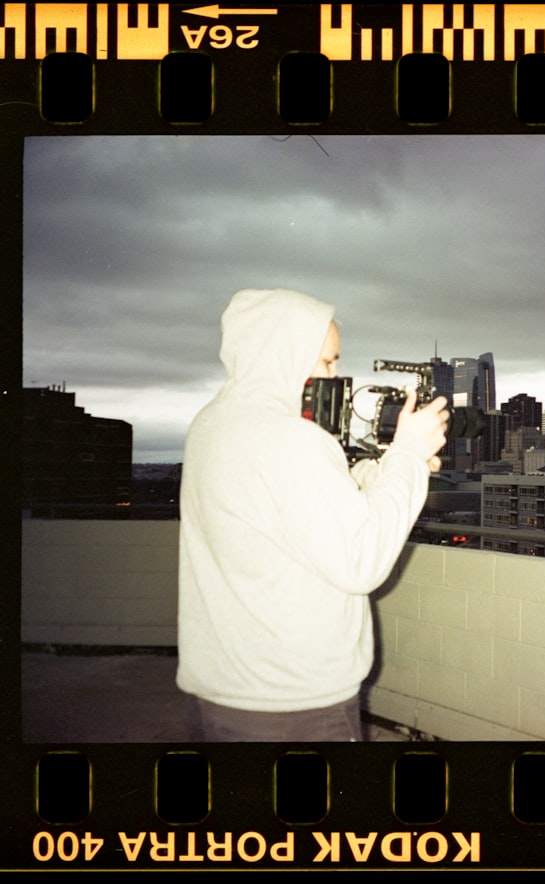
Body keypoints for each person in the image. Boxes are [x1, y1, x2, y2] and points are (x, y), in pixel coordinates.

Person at [177, 288, 449, 741]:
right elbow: (362, 561)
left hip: (222, 692)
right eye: (327, 361)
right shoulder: (290, 438)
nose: (335, 375)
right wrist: (407, 453)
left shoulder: (215, 423)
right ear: (284, 354)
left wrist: (385, 471)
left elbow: (298, 509)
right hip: (292, 706)